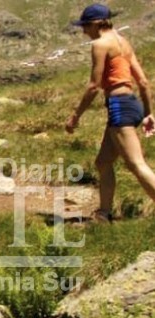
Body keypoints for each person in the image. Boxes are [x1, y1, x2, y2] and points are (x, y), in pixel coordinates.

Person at [65, 4, 155, 222]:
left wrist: (75, 116)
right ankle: (104, 214)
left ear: (97, 24)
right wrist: (148, 114)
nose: (84, 31)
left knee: (136, 164)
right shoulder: (123, 42)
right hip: (132, 103)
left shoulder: (100, 44)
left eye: (85, 26)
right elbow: (143, 82)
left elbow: (93, 86)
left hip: (119, 105)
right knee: (103, 162)